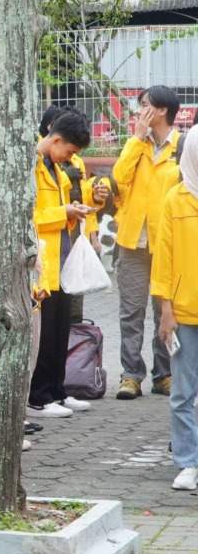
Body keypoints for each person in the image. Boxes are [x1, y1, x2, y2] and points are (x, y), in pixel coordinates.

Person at [112, 85, 182, 399]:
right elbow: (119, 177)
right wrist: (136, 139)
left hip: (167, 241)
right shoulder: (136, 144)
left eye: (145, 105)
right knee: (131, 311)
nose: (140, 111)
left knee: (163, 310)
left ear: (163, 110)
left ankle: (164, 373)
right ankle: (130, 375)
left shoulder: (182, 146)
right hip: (132, 240)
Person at [30, 109, 97, 419]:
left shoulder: (56, 168)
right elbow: (28, 219)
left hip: (62, 256)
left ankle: (57, 390)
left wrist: (78, 209)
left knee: (59, 329)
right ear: (55, 139)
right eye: (68, 151)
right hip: (43, 262)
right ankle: (39, 396)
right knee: (43, 336)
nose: (69, 157)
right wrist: (64, 212)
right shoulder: (31, 166)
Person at [155, 131, 198, 491]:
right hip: (184, 313)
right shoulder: (175, 199)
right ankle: (187, 462)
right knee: (183, 391)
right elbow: (163, 260)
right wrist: (165, 310)